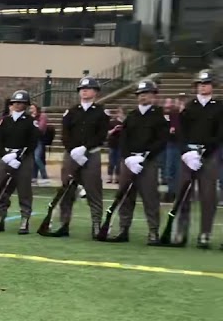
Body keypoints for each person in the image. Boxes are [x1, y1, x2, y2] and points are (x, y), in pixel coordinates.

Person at [44, 76, 107, 238]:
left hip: (91, 155)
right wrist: (73, 150)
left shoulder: (101, 112)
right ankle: (64, 224)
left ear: (95, 92)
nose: (84, 91)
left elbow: (101, 135)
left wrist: (85, 149)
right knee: (67, 190)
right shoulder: (71, 112)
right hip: (71, 155)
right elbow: (65, 133)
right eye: (82, 89)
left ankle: (96, 225)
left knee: (94, 191)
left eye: (88, 88)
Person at [106, 79, 167, 244]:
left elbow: (161, 140)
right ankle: (123, 229)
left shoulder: (159, 115)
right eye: (140, 94)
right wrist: (128, 157)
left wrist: (145, 156)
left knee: (150, 197)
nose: (143, 97)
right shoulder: (132, 115)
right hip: (129, 161)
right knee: (125, 196)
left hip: (148, 161)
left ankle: (153, 232)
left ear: (154, 95)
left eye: (146, 93)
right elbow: (124, 138)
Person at [173, 69, 219, 248]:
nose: (203, 87)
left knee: (208, 197)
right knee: (183, 194)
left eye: (206, 84)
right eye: (200, 84)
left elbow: (220, 134)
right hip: (189, 156)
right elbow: (181, 133)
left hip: (209, 156)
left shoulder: (219, 107)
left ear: (212, 86)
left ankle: (205, 233)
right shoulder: (189, 107)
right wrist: (186, 152)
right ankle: (180, 232)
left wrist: (205, 153)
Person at [0, 90, 37, 234]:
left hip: (23, 159)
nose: (18, 105)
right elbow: (0, 141)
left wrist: (19, 157)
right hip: (6, 157)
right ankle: (0, 218)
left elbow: (32, 143)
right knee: (2, 189)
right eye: (15, 103)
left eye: (21, 103)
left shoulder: (31, 121)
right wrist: (5, 155)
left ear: (26, 105)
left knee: (24, 190)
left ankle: (24, 219)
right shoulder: (5, 120)